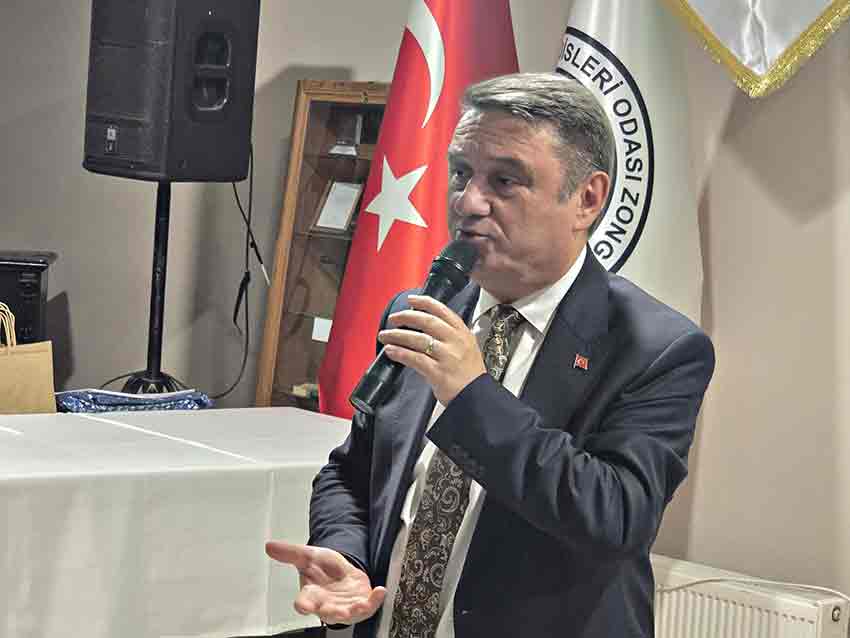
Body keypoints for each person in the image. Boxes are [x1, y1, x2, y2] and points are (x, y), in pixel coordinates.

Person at [266, 72, 715, 638]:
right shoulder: (423, 307)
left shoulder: (658, 348)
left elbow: (616, 518)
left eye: (505, 180)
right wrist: (345, 554)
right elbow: (353, 471)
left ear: (587, 199)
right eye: (461, 173)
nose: (467, 201)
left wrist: (471, 397)